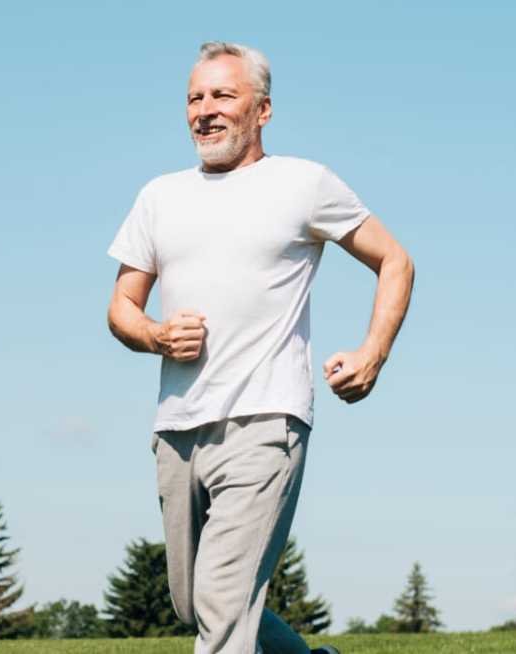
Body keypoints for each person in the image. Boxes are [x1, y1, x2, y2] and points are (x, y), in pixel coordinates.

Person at [105, 42, 415, 654]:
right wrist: (156, 335)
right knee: (196, 600)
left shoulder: (304, 183)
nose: (205, 110)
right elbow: (121, 308)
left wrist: (371, 353)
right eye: (195, 98)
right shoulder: (159, 196)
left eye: (223, 95)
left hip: (265, 420)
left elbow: (395, 260)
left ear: (263, 110)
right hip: (177, 427)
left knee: (222, 601)